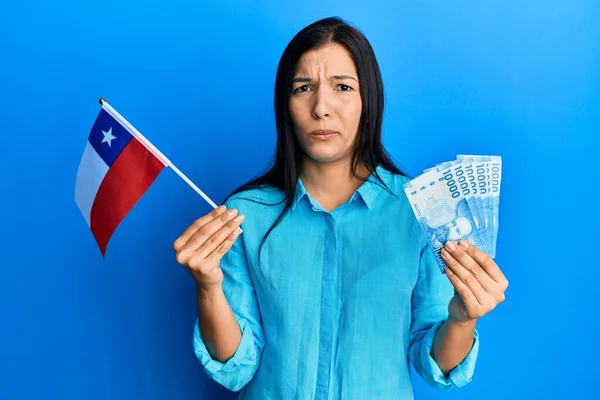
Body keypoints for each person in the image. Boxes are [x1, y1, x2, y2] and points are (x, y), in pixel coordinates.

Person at [173, 16, 509, 400]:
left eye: (343, 87)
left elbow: (434, 362)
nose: (321, 108)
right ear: (286, 105)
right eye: (303, 88)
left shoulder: (420, 210)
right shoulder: (244, 214)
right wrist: (208, 286)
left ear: (369, 101)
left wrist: (462, 318)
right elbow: (237, 365)